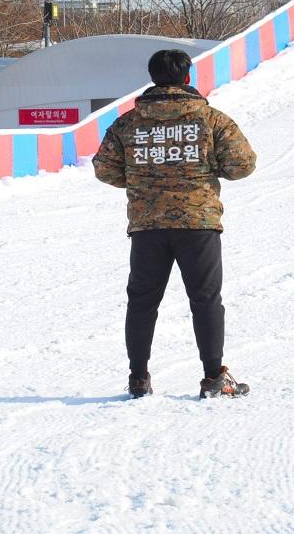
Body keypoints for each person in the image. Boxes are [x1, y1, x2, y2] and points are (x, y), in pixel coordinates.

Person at [93, 49, 257, 400]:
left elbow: (103, 167)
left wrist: (142, 181)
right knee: (205, 299)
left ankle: (138, 378)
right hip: (199, 223)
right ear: (187, 78)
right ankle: (214, 377)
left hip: (147, 224)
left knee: (141, 301)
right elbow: (243, 164)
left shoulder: (128, 123)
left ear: (153, 78)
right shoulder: (211, 120)